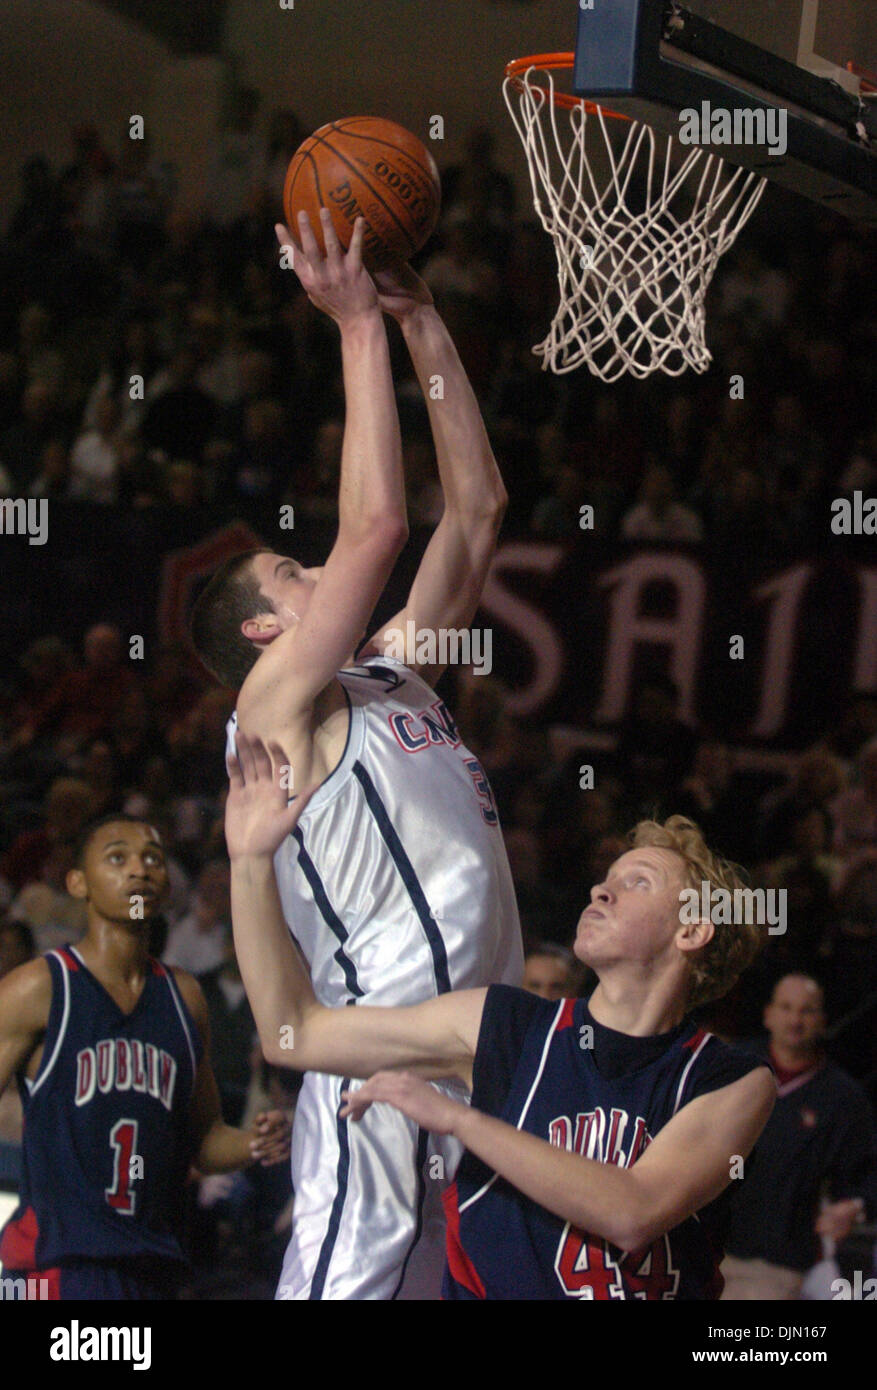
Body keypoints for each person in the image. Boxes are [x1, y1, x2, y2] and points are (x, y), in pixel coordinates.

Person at [190, 212, 522, 1300]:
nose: (315, 575)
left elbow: (472, 512)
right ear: (258, 630)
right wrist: (351, 330)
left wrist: (421, 321)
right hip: (375, 1034)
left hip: (480, 1031)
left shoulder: (387, 673)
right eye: (291, 569)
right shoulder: (272, 702)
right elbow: (378, 524)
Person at [225, 733, 775, 1301]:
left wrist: (460, 1121)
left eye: (637, 883)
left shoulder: (730, 1080)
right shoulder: (503, 1025)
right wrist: (249, 861)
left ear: (692, 930)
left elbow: (633, 1212)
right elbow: (293, 1034)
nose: (601, 890)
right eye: (607, 877)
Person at [0, 814, 290, 1299]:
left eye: (153, 859)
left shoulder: (184, 997)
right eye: (118, 858)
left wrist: (252, 1145)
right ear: (78, 883)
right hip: (55, 1266)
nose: (140, 870)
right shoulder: (40, 988)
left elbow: (204, 1139)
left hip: (151, 1267)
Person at [721, 974, 875, 1301]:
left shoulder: (843, 1098)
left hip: (777, 1267)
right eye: (786, 1007)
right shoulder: (730, 1067)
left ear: (822, 1021)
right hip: (700, 1249)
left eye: (807, 1011)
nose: (795, 1019)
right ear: (768, 1014)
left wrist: (852, 1207)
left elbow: (865, 1176)